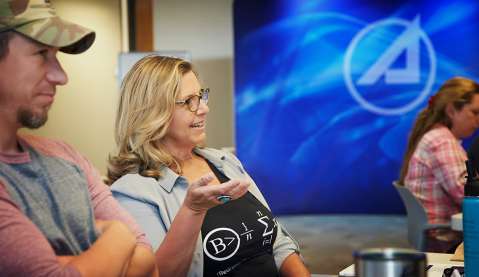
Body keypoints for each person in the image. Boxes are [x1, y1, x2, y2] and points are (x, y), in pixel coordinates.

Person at [107, 55, 310, 277]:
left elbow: (276, 239)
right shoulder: (132, 193)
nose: (204, 109)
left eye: (201, 96)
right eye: (188, 101)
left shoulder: (224, 162)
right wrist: (193, 210)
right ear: (153, 112)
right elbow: (157, 273)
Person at [0, 0, 157, 276]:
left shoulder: (64, 155)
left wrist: (79, 263)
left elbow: (146, 261)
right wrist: (118, 236)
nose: (61, 76)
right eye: (41, 53)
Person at [399, 77, 479, 251]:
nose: (478, 121)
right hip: (445, 241)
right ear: (451, 110)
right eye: (474, 112)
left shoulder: (435, 136)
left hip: (435, 237)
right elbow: (469, 194)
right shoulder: (442, 142)